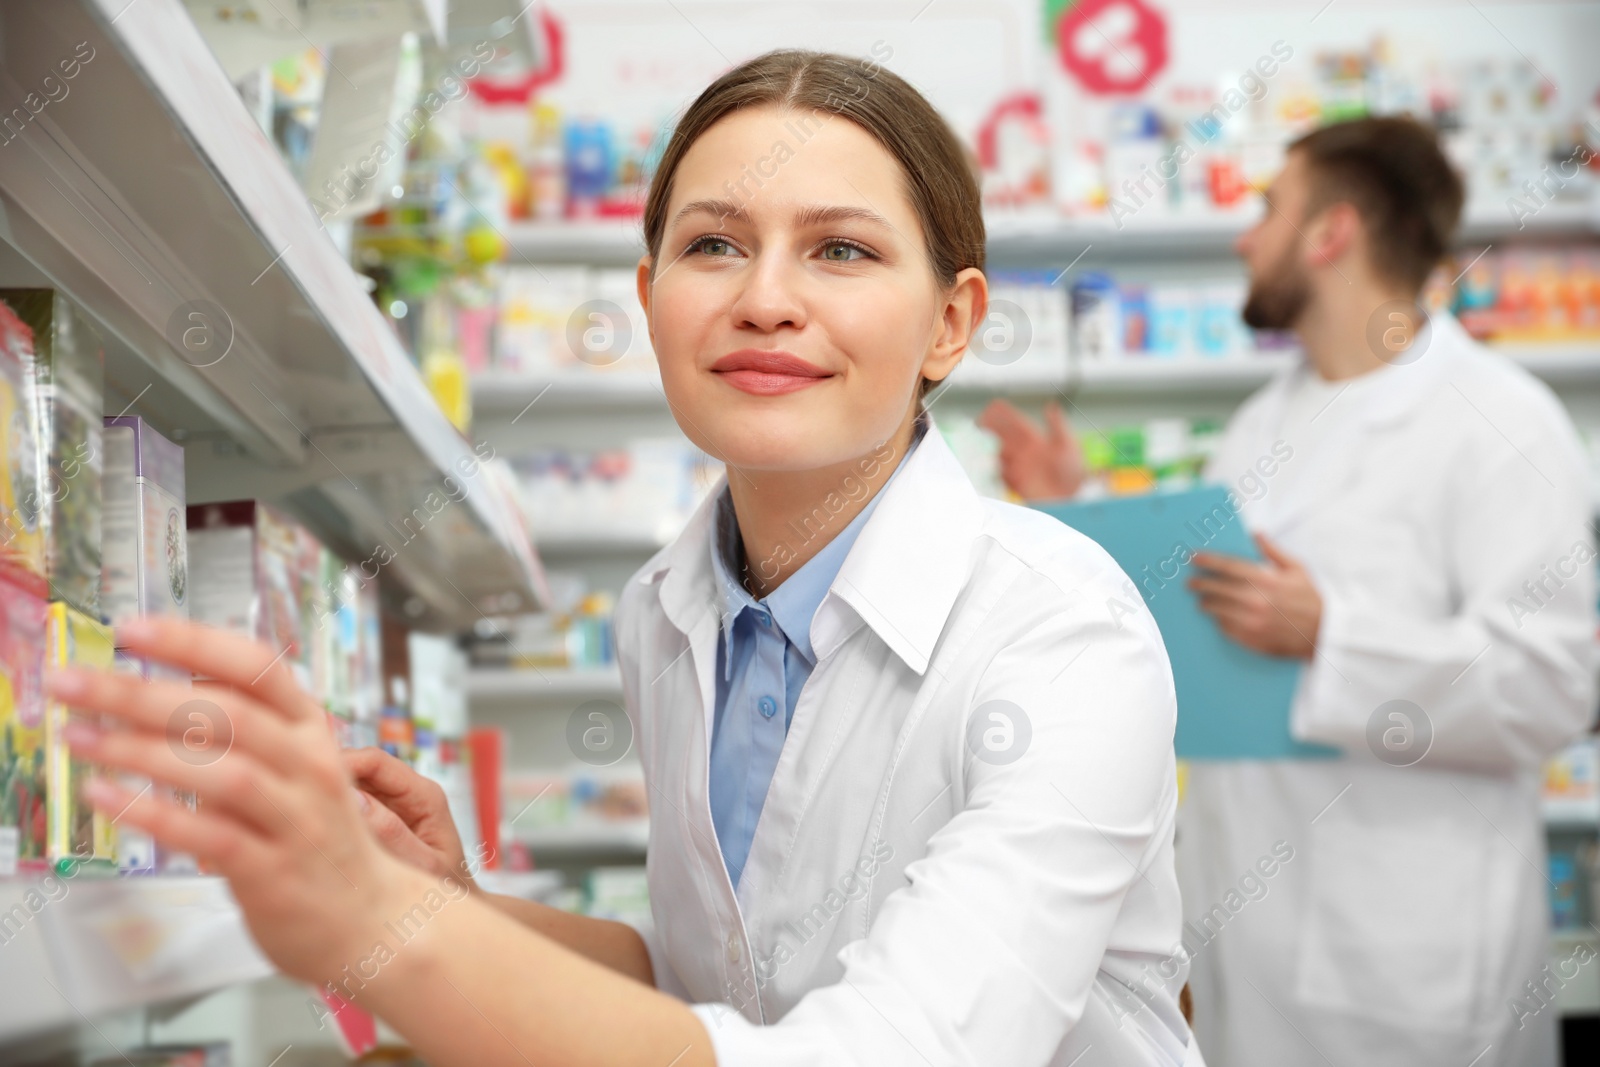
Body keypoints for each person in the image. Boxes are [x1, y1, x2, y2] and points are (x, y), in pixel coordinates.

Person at [55, 50, 1206, 1066]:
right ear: (652, 299)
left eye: (840, 251)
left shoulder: (1062, 638)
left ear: (950, 324)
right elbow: (707, 980)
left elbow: (882, 1049)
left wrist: (365, 927)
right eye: (714, 244)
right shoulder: (667, 609)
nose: (764, 299)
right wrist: (443, 904)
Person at [979, 116, 1597, 1067]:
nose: (1243, 236)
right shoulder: (1266, 420)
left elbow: (1557, 683)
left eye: (1268, 209)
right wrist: (1075, 509)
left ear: (1331, 233)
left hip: (1410, 947)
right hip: (1252, 927)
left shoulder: (1500, 419)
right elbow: (1211, 605)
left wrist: (1331, 636)